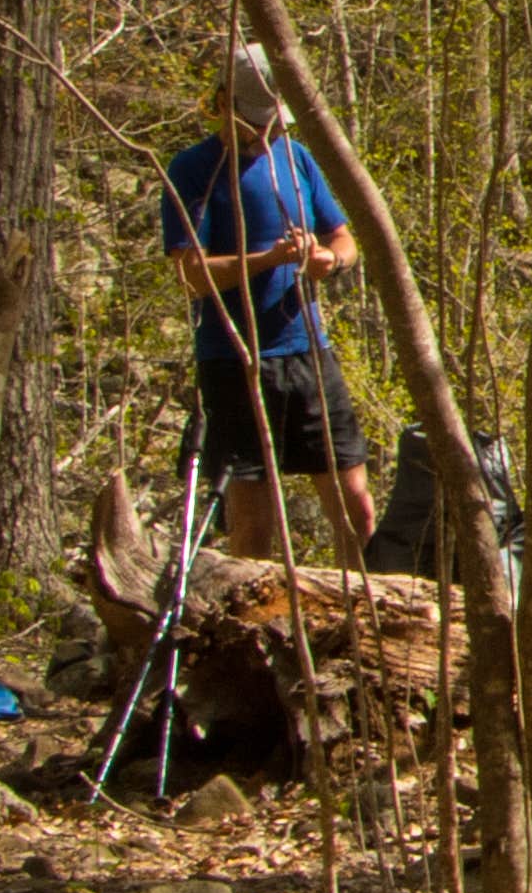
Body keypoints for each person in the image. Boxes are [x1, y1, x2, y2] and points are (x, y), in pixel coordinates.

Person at [158, 46, 377, 559]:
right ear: (224, 104)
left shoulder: (296, 157)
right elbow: (192, 275)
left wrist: (328, 260)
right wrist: (267, 259)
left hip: (307, 354)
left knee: (356, 509)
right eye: (256, 123)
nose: (266, 134)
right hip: (235, 361)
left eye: (273, 123)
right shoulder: (192, 170)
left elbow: (345, 239)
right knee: (253, 526)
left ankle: (358, 621)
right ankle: (253, 632)